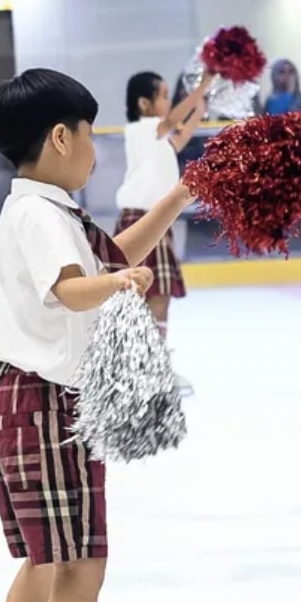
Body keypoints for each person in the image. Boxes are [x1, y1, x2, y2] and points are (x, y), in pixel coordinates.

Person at [0, 67, 190, 602]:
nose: (93, 146)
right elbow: (73, 288)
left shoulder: (48, 208)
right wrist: (120, 288)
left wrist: (178, 197)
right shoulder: (40, 218)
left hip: (23, 397)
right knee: (78, 566)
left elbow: (114, 254)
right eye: (88, 133)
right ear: (61, 137)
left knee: (47, 559)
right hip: (43, 402)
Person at [116, 70, 213, 394]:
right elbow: (173, 122)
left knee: (158, 297)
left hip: (154, 222)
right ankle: (143, 368)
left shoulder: (157, 137)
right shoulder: (141, 130)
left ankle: (151, 366)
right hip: (141, 222)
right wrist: (202, 85)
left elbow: (181, 136)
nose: (168, 102)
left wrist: (201, 105)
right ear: (144, 103)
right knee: (148, 298)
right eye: (163, 95)